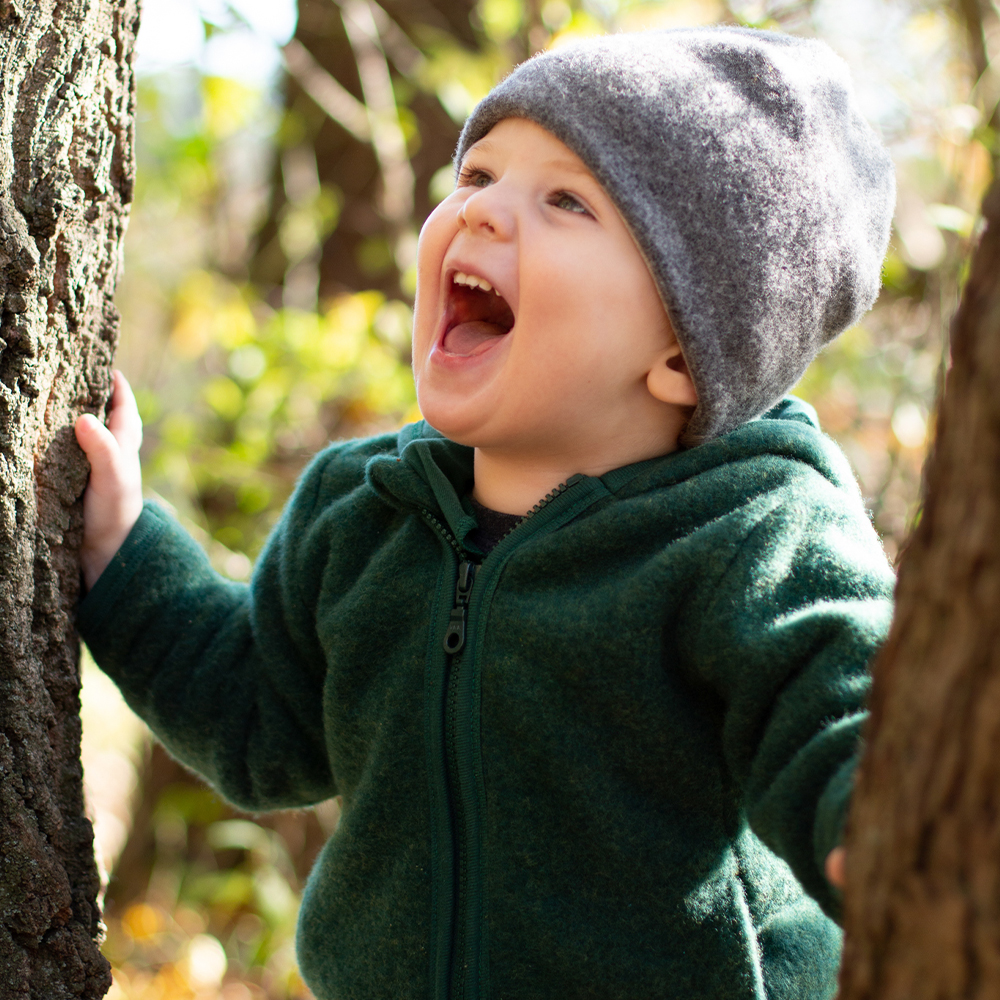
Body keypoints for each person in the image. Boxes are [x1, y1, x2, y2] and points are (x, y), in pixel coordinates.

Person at [74, 26, 896, 1000]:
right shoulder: (365, 511)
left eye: (565, 200)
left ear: (683, 355)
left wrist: (884, 826)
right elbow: (255, 718)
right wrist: (124, 556)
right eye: (478, 174)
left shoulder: (749, 531)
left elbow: (839, 694)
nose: (481, 215)